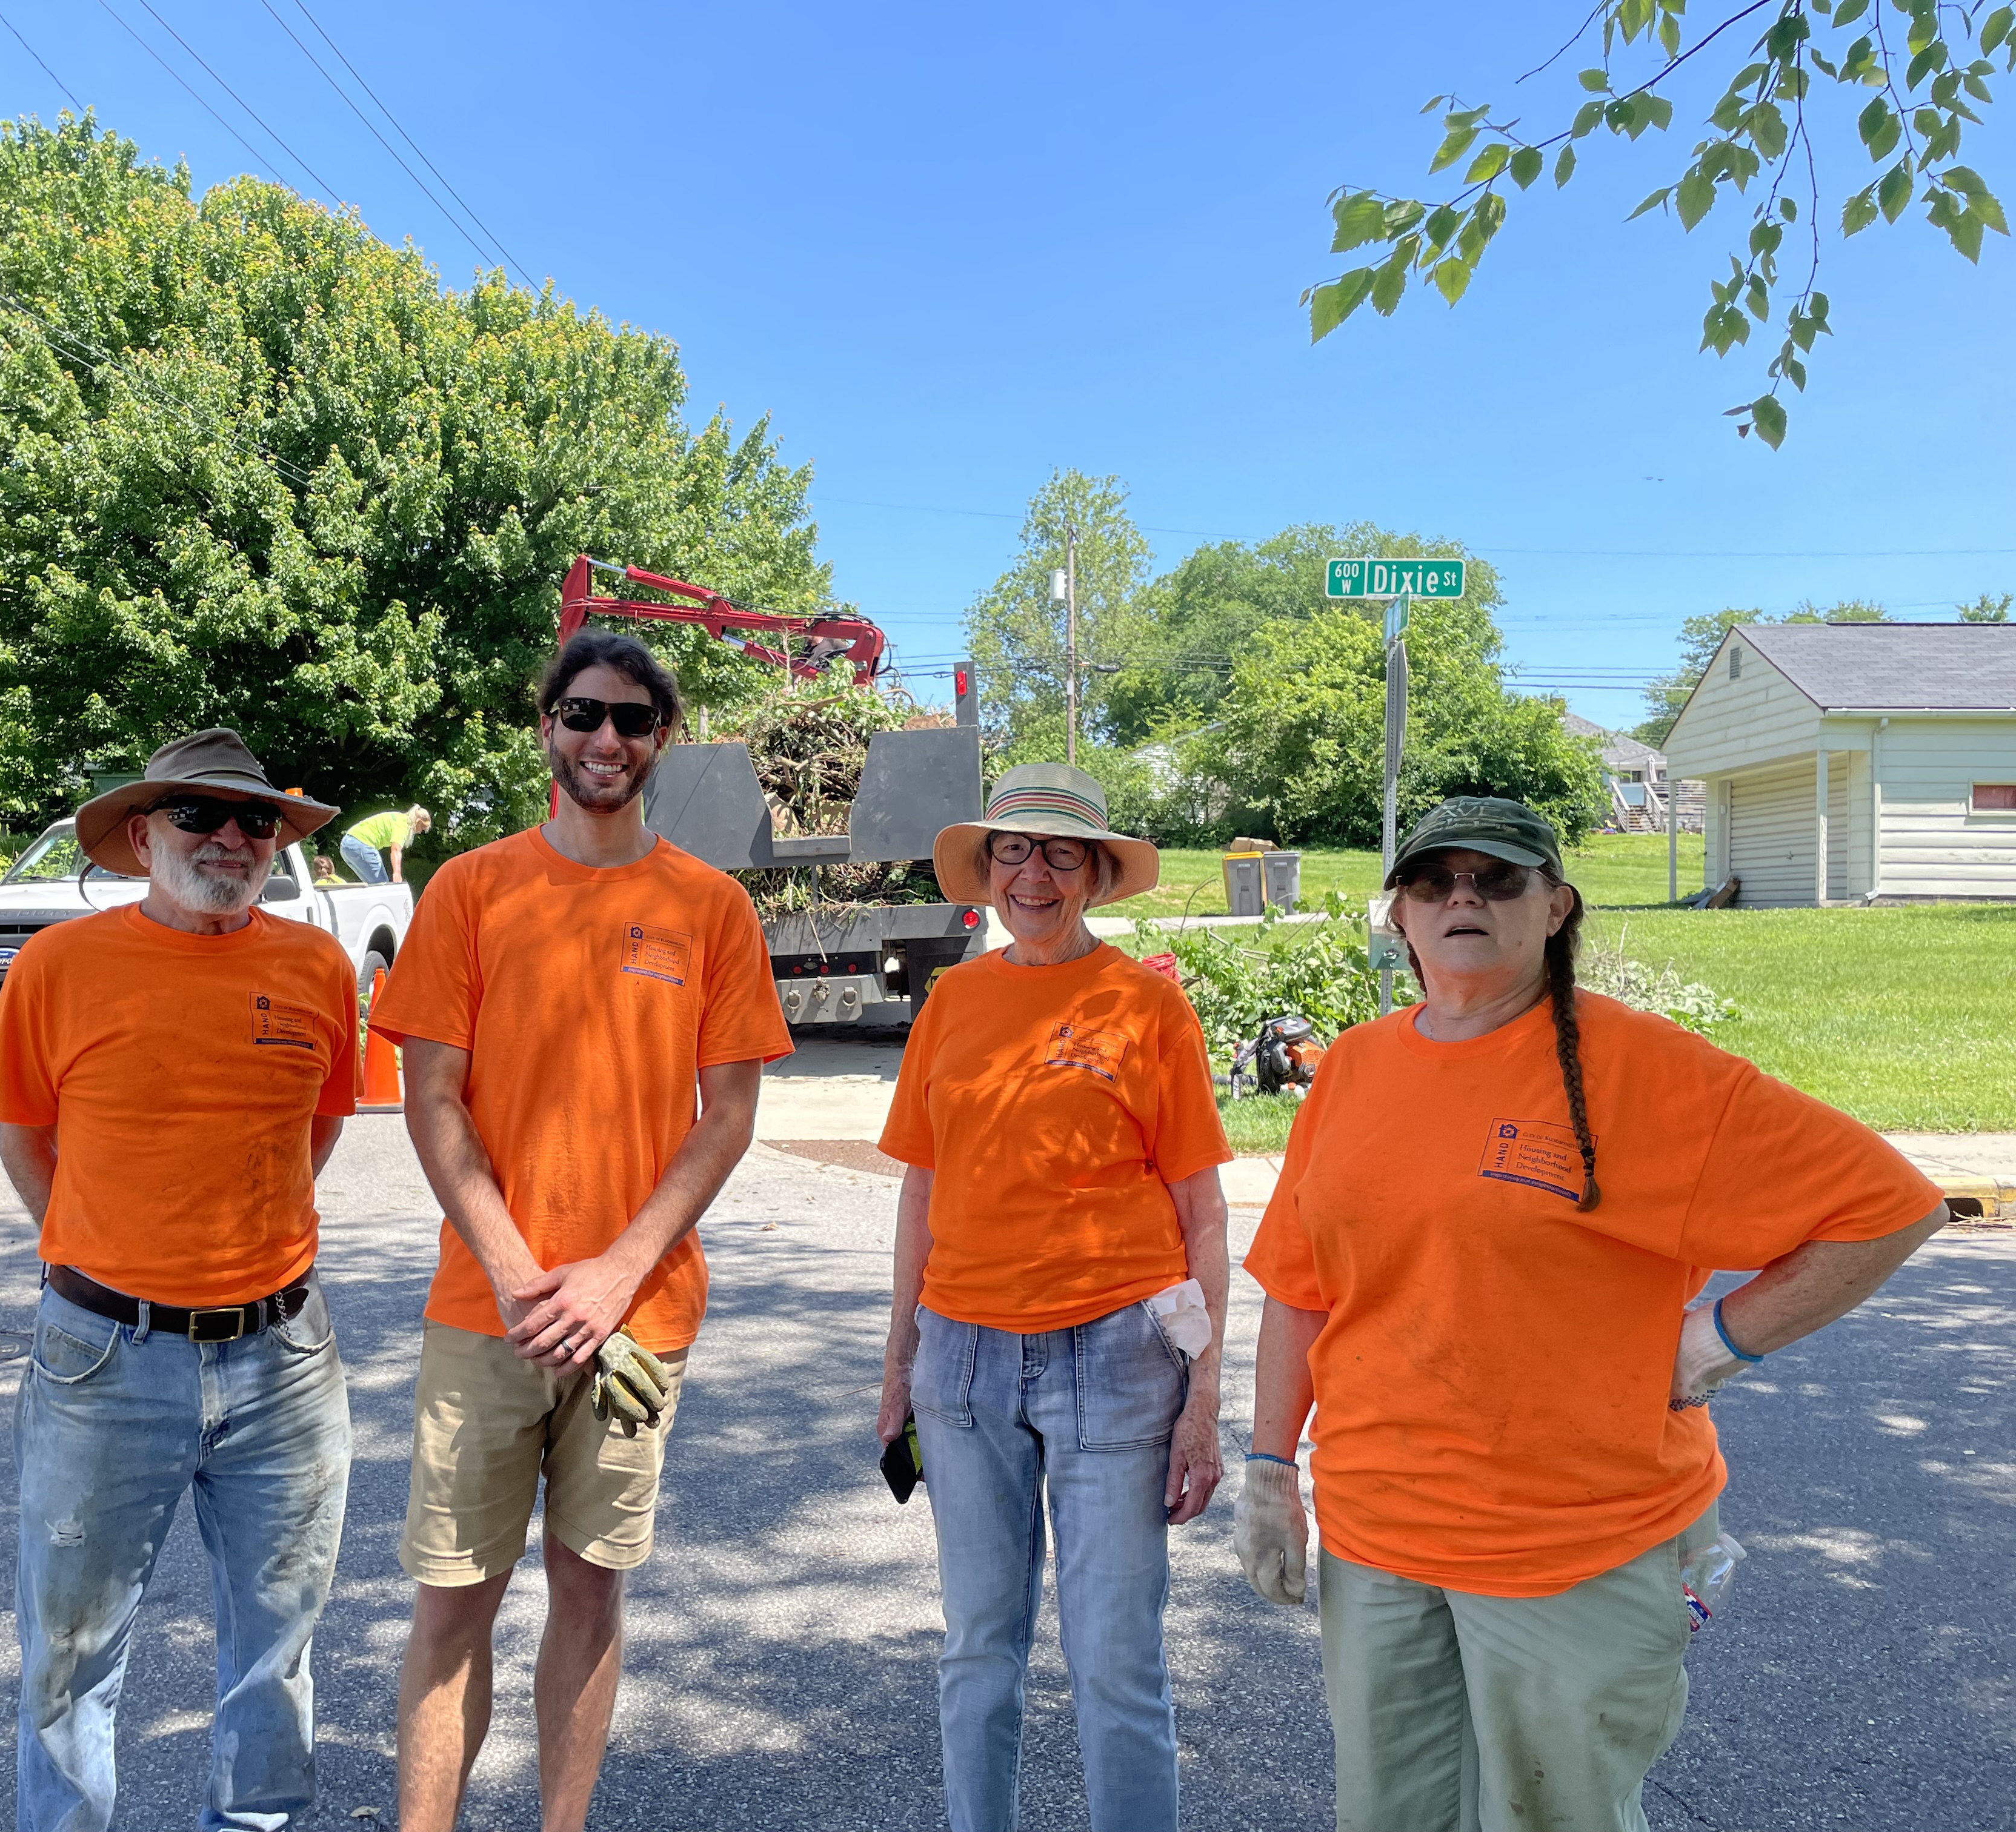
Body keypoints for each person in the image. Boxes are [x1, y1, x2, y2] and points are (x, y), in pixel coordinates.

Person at [1231, 796, 1949, 1832]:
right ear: (1399, 917)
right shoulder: (1352, 1066)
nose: (1462, 896)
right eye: (1434, 881)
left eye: (1498, 878)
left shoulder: (1640, 1066)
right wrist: (1266, 1468)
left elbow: (1886, 1207)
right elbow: (1301, 1286)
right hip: (1377, 1533)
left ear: (1556, 905)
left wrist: (1709, 1345)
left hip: (1572, 1541)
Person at [373, 629, 794, 1832]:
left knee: (590, 1590)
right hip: (484, 1313)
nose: (603, 739)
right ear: (547, 727)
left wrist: (611, 1275)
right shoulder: (472, 888)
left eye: (629, 720)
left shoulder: (708, 909)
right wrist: (518, 1269)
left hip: (638, 1319)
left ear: (662, 740)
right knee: (454, 1599)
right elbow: (431, 1096)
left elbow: (727, 1119)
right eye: (580, 714)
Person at [0, 729, 362, 1832]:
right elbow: (24, 1138)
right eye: (198, 813)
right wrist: (105, 1258)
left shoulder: (317, 967)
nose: (231, 837)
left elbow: (316, 1127)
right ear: (142, 836)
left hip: (283, 1359)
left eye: (255, 820)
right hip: (102, 1356)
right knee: (70, 1655)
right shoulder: (60, 966)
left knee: (274, 1650)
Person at [874, 762, 1235, 1832]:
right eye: (1013, 851)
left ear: (1092, 873)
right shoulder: (953, 1000)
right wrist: (897, 1363)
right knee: (978, 1645)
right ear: (987, 871)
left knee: (1116, 1657)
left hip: (1118, 1355)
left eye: (1059, 852)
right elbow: (920, 1191)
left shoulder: (1146, 1004)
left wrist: (1206, 1393)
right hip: (964, 1363)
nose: (1032, 872)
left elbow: (1203, 1211)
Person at [342, 803, 432, 883]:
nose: (420, 832)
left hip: (346, 845)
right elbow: (396, 850)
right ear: (418, 822)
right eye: (422, 828)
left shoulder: (398, 817)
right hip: (361, 843)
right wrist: (397, 873)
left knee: (371, 885)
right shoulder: (403, 825)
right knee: (382, 886)